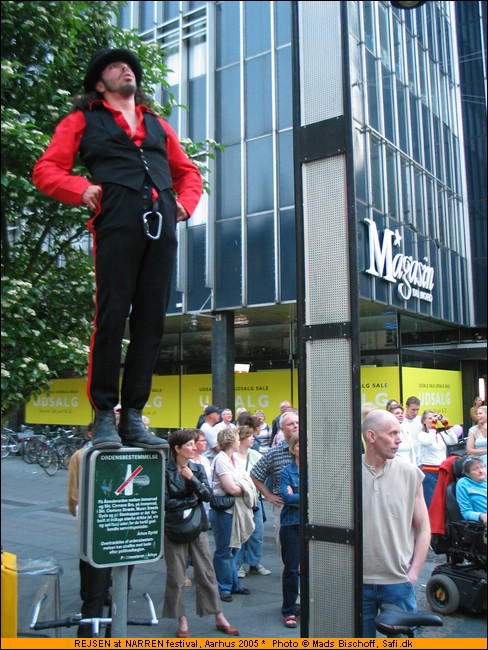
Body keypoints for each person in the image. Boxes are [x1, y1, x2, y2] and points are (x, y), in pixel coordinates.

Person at [33, 48, 202, 450]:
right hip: (117, 219)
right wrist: (81, 188)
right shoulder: (81, 120)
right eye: (115, 66)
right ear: (99, 83)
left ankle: (133, 416)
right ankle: (103, 415)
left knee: (151, 323)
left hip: (161, 223)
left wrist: (185, 202)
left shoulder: (158, 125)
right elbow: (46, 170)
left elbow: (188, 172)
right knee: (111, 317)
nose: (126, 69)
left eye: (129, 67)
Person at [162, 429, 239, 637]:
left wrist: (191, 479)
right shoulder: (164, 470)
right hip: (174, 527)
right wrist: (191, 498)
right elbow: (166, 502)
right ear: (177, 448)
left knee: (206, 572)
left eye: (193, 444)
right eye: (189, 444)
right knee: (177, 576)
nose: (194, 447)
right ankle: (182, 620)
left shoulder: (196, 468)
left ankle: (218, 615)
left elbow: (206, 495)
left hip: (197, 525)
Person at [361, 410, 430, 638]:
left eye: (399, 433)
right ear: (371, 436)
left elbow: (423, 529)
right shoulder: (349, 473)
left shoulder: (411, 473)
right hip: (358, 581)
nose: (398, 439)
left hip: (398, 582)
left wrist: (413, 574)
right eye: (392, 434)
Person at [67, 422, 133, 637]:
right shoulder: (82, 455)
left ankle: (112, 633)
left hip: (123, 529)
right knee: (93, 586)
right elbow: (74, 490)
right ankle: (87, 634)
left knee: (120, 588)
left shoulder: (123, 455)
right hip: (96, 526)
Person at [209, 428, 255, 602]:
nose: (239, 441)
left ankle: (233, 583)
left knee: (234, 548)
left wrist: (241, 486)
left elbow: (241, 484)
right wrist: (244, 488)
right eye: (237, 438)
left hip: (234, 510)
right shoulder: (221, 460)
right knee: (224, 550)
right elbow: (231, 488)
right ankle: (224, 587)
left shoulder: (233, 459)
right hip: (225, 511)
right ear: (231, 441)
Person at [250, 409, 299, 552]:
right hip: (284, 507)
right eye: (291, 424)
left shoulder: (312, 449)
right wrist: (268, 495)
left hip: (309, 506)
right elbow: (255, 474)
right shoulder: (274, 452)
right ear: (282, 429)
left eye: (297, 423)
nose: (295, 426)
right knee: (286, 551)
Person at [234, 424, 271, 579]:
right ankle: (240, 564)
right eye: (250, 436)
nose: (253, 439)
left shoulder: (255, 454)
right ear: (241, 438)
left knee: (257, 533)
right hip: (240, 500)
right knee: (241, 533)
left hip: (254, 500)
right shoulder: (233, 456)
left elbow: (265, 471)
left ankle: (254, 562)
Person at [279, 433, 300, 629]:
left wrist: (298, 495)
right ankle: (289, 610)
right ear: (293, 449)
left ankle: (307, 603)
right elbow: (286, 497)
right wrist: (309, 496)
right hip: (291, 525)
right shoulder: (287, 471)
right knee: (292, 569)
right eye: (301, 445)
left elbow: (325, 494)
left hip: (311, 524)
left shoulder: (316, 470)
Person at [417, 410, 458, 509]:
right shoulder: (421, 435)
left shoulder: (440, 435)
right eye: (430, 418)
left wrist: (447, 426)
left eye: (434, 417)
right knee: (431, 500)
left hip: (442, 471)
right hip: (429, 473)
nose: (432, 420)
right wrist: (433, 427)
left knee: (443, 500)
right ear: (424, 421)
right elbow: (430, 441)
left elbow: (454, 441)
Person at [455, 456, 487, 526]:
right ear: (467, 474)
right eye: (475, 469)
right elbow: (466, 512)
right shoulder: (463, 483)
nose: (481, 471)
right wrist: (482, 516)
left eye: (482, 467)